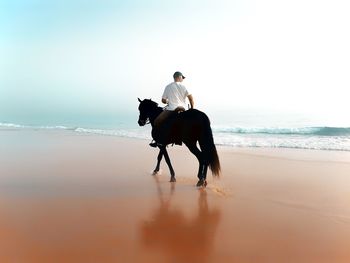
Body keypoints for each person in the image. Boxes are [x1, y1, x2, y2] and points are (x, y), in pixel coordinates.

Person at [150, 71, 194, 147]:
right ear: (179, 77)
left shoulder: (168, 86)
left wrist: (168, 101)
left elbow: (163, 100)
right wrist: (192, 109)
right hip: (183, 109)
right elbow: (191, 98)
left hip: (171, 109)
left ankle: (158, 141)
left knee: (157, 121)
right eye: (182, 78)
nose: (183, 79)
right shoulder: (184, 86)